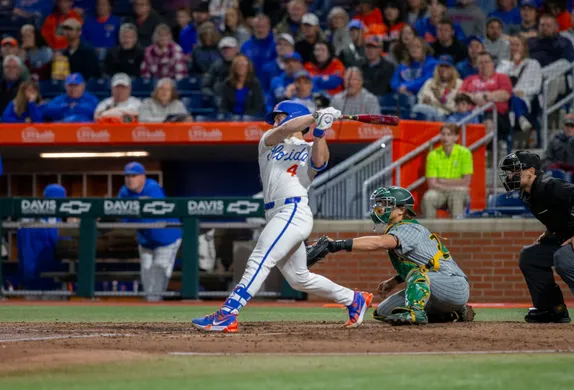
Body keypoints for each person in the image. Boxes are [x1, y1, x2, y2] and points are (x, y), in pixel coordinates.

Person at [191, 101, 373, 333]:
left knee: (259, 258)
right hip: (276, 213)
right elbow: (284, 130)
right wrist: (315, 116)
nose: (275, 121)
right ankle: (353, 299)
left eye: (280, 116)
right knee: (299, 278)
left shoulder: (309, 147)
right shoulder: (268, 141)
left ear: (295, 115)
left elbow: (319, 161)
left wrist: (320, 131)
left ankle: (228, 313)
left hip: (293, 211)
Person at [307, 186, 474, 325]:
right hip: (435, 286)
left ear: (401, 209)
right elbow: (424, 264)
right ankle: (451, 314)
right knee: (383, 312)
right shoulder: (399, 228)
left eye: (386, 203)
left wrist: (338, 245)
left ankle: (417, 313)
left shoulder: (408, 227)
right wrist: (395, 281)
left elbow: (379, 242)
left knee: (417, 280)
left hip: (454, 285)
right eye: (379, 203)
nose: (380, 207)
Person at [499, 150, 574, 326]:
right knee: (530, 256)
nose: (510, 176)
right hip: (571, 234)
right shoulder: (527, 193)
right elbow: (561, 214)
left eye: (514, 170)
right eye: (509, 172)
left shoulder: (550, 186)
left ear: (531, 171)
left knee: (563, 256)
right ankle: (551, 309)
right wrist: (549, 232)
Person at [118, 162, 182, 302]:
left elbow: (149, 219)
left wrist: (131, 218)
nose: (130, 179)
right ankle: (151, 305)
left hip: (167, 239)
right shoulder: (124, 192)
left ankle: (155, 307)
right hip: (146, 241)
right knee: (146, 273)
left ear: (143, 177)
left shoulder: (152, 188)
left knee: (159, 273)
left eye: (134, 176)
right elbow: (121, 216)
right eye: (127, 176)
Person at [16, 184, 67, 291]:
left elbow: (19, 246)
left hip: (27, 277)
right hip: (49, 277)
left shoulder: (25, 218)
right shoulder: (52, 219)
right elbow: (61, 244)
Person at [460, 52, 513, 144]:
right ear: (477, 65)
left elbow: (505, 94)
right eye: (481, 63)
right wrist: (474, 97)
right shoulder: (470, 79)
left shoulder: (501, 77)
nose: (484, 65)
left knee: (488, 121)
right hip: (471, 112)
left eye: (487, 62)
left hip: (495, 114)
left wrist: (485, 96)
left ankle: (481, 149)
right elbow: (460, 94)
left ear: (492, 63)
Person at [422, 123, 473, 219]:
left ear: (456, 137)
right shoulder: (433, 155)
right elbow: (432, 185)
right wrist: (457, 185)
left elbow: (466, 182)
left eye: (449, 134)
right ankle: (430, 232)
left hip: (458, 193)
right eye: (443, 134)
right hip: (440, 193)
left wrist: (442, 181)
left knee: (456, 197)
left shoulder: (465, 153)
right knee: (428, 197)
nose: (445, 138)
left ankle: (458, 232)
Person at [496, 34, 542, 136]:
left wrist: (524, 92)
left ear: (524, 47)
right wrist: (513, 64)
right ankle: (521, 118)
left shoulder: (533, 64)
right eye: (512, 45)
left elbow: (537, 87)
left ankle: (517, 119)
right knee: (510, 95)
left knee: (514, 98)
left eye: (517, 45)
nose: (514, 48)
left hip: (524, 99)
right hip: (504, 99)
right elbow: (497, 80)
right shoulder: (504, 64)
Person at [412, 55, 463, 121]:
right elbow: (420, 98)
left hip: (447, 116)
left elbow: (455, 108)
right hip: (428, 112)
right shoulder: (430, 82)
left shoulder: (459, 84)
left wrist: (441, 99)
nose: (444, 69)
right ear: (437, 68)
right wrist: (424, 101)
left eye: (447, 66)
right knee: (417, 108)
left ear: (453, 69)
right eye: (441, 66)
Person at [218, 54, 265, 118]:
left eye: (244, 64)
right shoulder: (228, 83)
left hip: (250, 119)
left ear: (248, 67)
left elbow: (258, 105)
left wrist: (245, 117)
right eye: (238, 64)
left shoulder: (254, 83)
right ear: (234, 67)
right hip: (230, 119)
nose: (241, 67)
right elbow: (223, 106)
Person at [240, 14, 277, 94]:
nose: (260, 30)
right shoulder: (245, 46)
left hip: (271, 88)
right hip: (250, 88)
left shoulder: (276, 45)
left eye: (263, 27)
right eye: (257, 27)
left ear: (269, 27)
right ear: (253, 28)